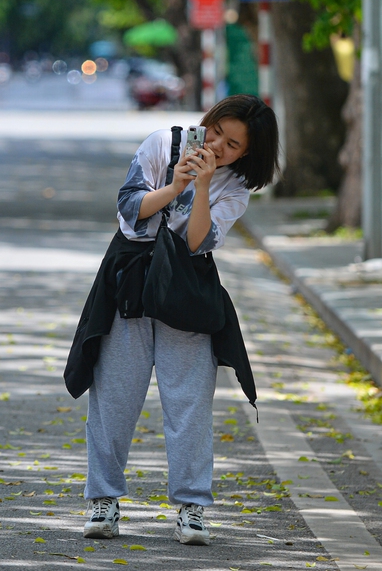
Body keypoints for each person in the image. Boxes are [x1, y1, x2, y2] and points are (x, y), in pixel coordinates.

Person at [63, 95, 279, 546]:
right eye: (217, 131)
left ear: (248, 153)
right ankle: (103, 500)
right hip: (131, 284)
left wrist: (201, 188)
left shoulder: (236, 187)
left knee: (190, 405)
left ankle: (192, 508)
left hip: (187, 291)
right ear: (209, 121)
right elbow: (129, 210)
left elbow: (199, 242)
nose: (218, 145)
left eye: (233, 144)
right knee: (115, 400)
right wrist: (176, 183)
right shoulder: (163, 143)